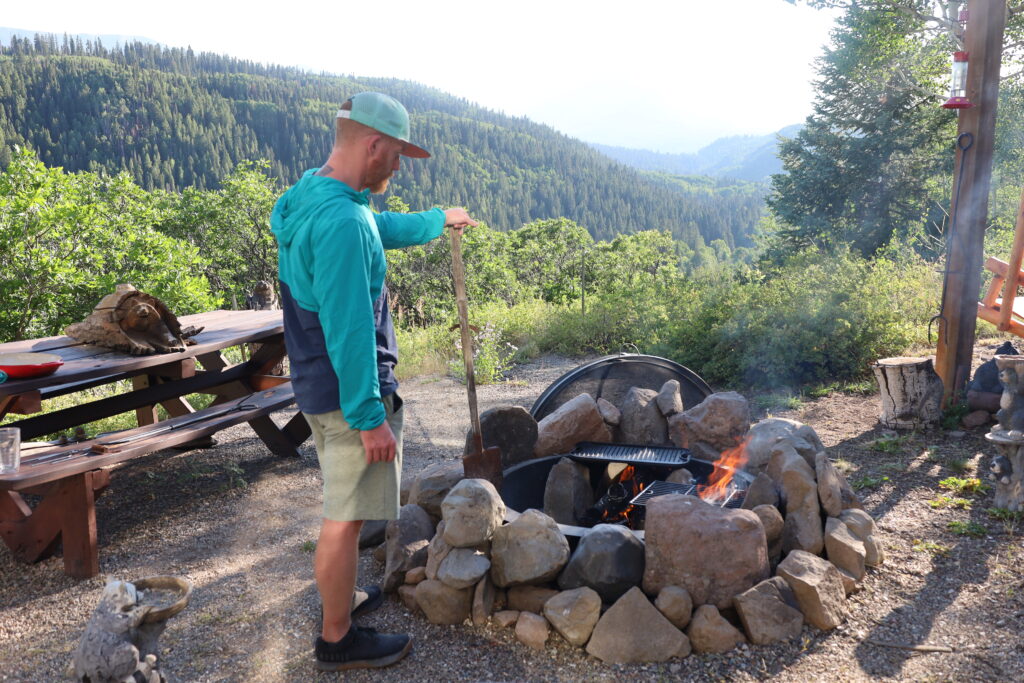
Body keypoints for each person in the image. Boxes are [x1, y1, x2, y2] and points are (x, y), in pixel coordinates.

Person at [270, 92, 477, 671]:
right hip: (344, 397)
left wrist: (438, 221)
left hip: (315, 383)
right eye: (398, 155)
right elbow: (351, 329)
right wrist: (370, 418)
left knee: (347, 504)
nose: (399, 166)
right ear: (373, 144)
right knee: (344, 518)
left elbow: (372, 227)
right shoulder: (340, 221)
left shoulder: (316, 193)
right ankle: (337, 640)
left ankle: (344, 601)